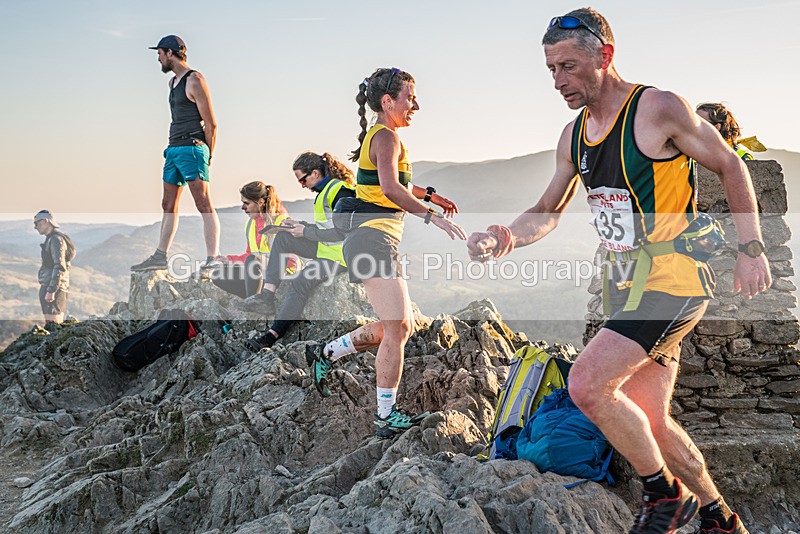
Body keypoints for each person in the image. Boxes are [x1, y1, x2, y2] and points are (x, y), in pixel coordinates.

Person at [467, 9, 768, 534]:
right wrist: (507, 236)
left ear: (604, 56)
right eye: (551, 69)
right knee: (650, 418)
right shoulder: (574, 135)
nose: (559, 80)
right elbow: (548, 209)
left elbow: (730, 164)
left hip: (673, 281)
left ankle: (663, 499)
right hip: (627, 288)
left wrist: (752, 247)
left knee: (587, 383)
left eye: (568, 66)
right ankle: (720, 516)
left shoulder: (657, 109)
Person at [306, 67, 467, 439]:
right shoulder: (386, 138)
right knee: (398, 329)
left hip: (373, 241)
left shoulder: (383, 136)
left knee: (397, 326)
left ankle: (327, 353)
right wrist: (432, 217)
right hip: (372, 240)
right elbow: (393, 190)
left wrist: (429, 194)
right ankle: (385, 416)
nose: (417, 105)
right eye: (410, 98)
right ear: (388, 101)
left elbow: (389, 183)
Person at [247, 151, 356, 349]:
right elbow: (326, 227)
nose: (302, 185)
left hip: (340, 256)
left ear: (315, 172)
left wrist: (305, 231)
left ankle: (273, 334)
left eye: (303, 180)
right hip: (325, 248)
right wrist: (298, 226)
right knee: (283, 237)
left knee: (300, 282)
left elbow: (343, 233)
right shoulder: (325, 191)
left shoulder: (340, 191)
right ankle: (267, 296)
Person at [132, 35, 221, 273]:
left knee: (203, 203)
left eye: (159, 54)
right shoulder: (171, 83)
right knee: (167, 203)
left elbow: (211, 124)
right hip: (173, 148)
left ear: (169, 52)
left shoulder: (195, 80)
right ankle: (161, 255)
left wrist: (207, 156)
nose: (158, 59)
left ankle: (213, 257)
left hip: (193, 148)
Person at [210, 181, 289, 299]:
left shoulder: (282, 222)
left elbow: (290, 261)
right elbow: (249, 255)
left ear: (261, 202)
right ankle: (251, 299)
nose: (242, 207)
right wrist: (229, 260)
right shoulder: (250, 224)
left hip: (282, 277)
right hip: (262, 274)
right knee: (218, 275)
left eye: (246, 203)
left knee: (253, 261)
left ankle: (255, 302)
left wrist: (263, 263)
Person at [34, 210, 73, 330]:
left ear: (46, 221)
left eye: (36, 223)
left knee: (54, 327)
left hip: (54, 288)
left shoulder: (56, 240)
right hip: (50, 286)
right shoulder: (51, 239)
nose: (35, 227)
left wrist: (51, 290)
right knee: (51, 326)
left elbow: (59, 266)